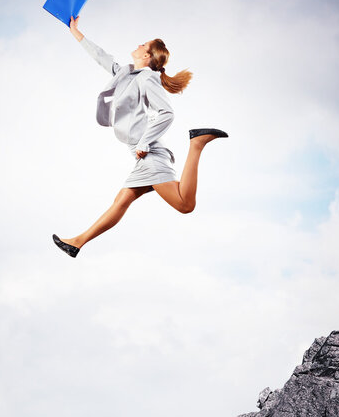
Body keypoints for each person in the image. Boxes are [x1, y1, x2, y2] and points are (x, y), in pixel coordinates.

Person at [53, 16, 228, 258]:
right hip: (142, 154)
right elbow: (101, 57)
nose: (138, 44)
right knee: (121, 202)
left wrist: (145, 142)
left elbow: (167, 113)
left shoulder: (146, 78)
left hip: (148, 153)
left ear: (147, 57)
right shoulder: (127, 74)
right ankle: (77, 243)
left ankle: (197, 143)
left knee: (185, 205)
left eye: (143, 45)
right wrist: (76, 32)